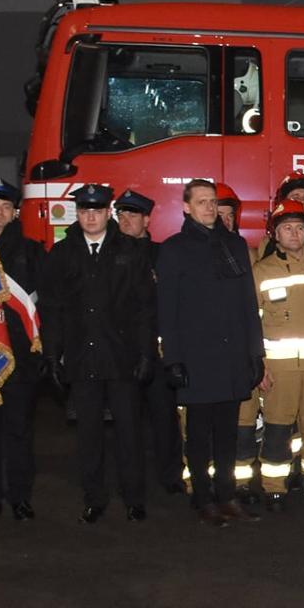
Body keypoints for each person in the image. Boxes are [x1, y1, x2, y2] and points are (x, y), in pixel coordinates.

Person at [38, 184, 158, 525]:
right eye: (85, 210)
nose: (91, 216)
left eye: (97, 210)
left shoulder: (131, 252)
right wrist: (51, 355)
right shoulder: (61, 254)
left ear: (109, 213)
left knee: (129, 433)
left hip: (122, 359)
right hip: (80, 359)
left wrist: (146, 354)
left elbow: (145, 309)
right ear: (78, 214)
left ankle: (134, 499)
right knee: (88, 435)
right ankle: (94, 499)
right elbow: (52, 309)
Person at [156, 179, 263, 527]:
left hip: (232, 357)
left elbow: (249, 304)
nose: (208, 208)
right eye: (200, 202)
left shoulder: (234, 245)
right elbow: (167, 311)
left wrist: (255, 353)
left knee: (228, 433)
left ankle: (227, 495)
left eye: (212, 202)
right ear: (186, 207)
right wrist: (172, 359)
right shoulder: (173, 250)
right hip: (196, 358)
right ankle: (203, 499)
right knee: (200, 435)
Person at [240, 201, 304, 513]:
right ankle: (274, 489)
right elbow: (251, 323)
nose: (295, 233)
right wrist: (260, 366)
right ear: (275, 233)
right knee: (277, 430)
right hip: (278, 369)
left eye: (300, 227)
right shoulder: (261, 270)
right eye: (287, 228)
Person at [0, 179, 44, 521]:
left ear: (15, 212)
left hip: (19, 358)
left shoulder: (31, 251)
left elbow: (44, 304)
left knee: (18, 432)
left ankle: (20, 496)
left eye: (6, 207)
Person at [116, 188, 186, 495]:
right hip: (121, 350)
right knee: (126, 421)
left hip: (157, 351)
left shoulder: (162, 254)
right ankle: (130, 480)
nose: (126, 220)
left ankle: (170, 474)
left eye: (133, 214)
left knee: (164, 418)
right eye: (122, 214)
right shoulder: (106, 255)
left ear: (147, 219)